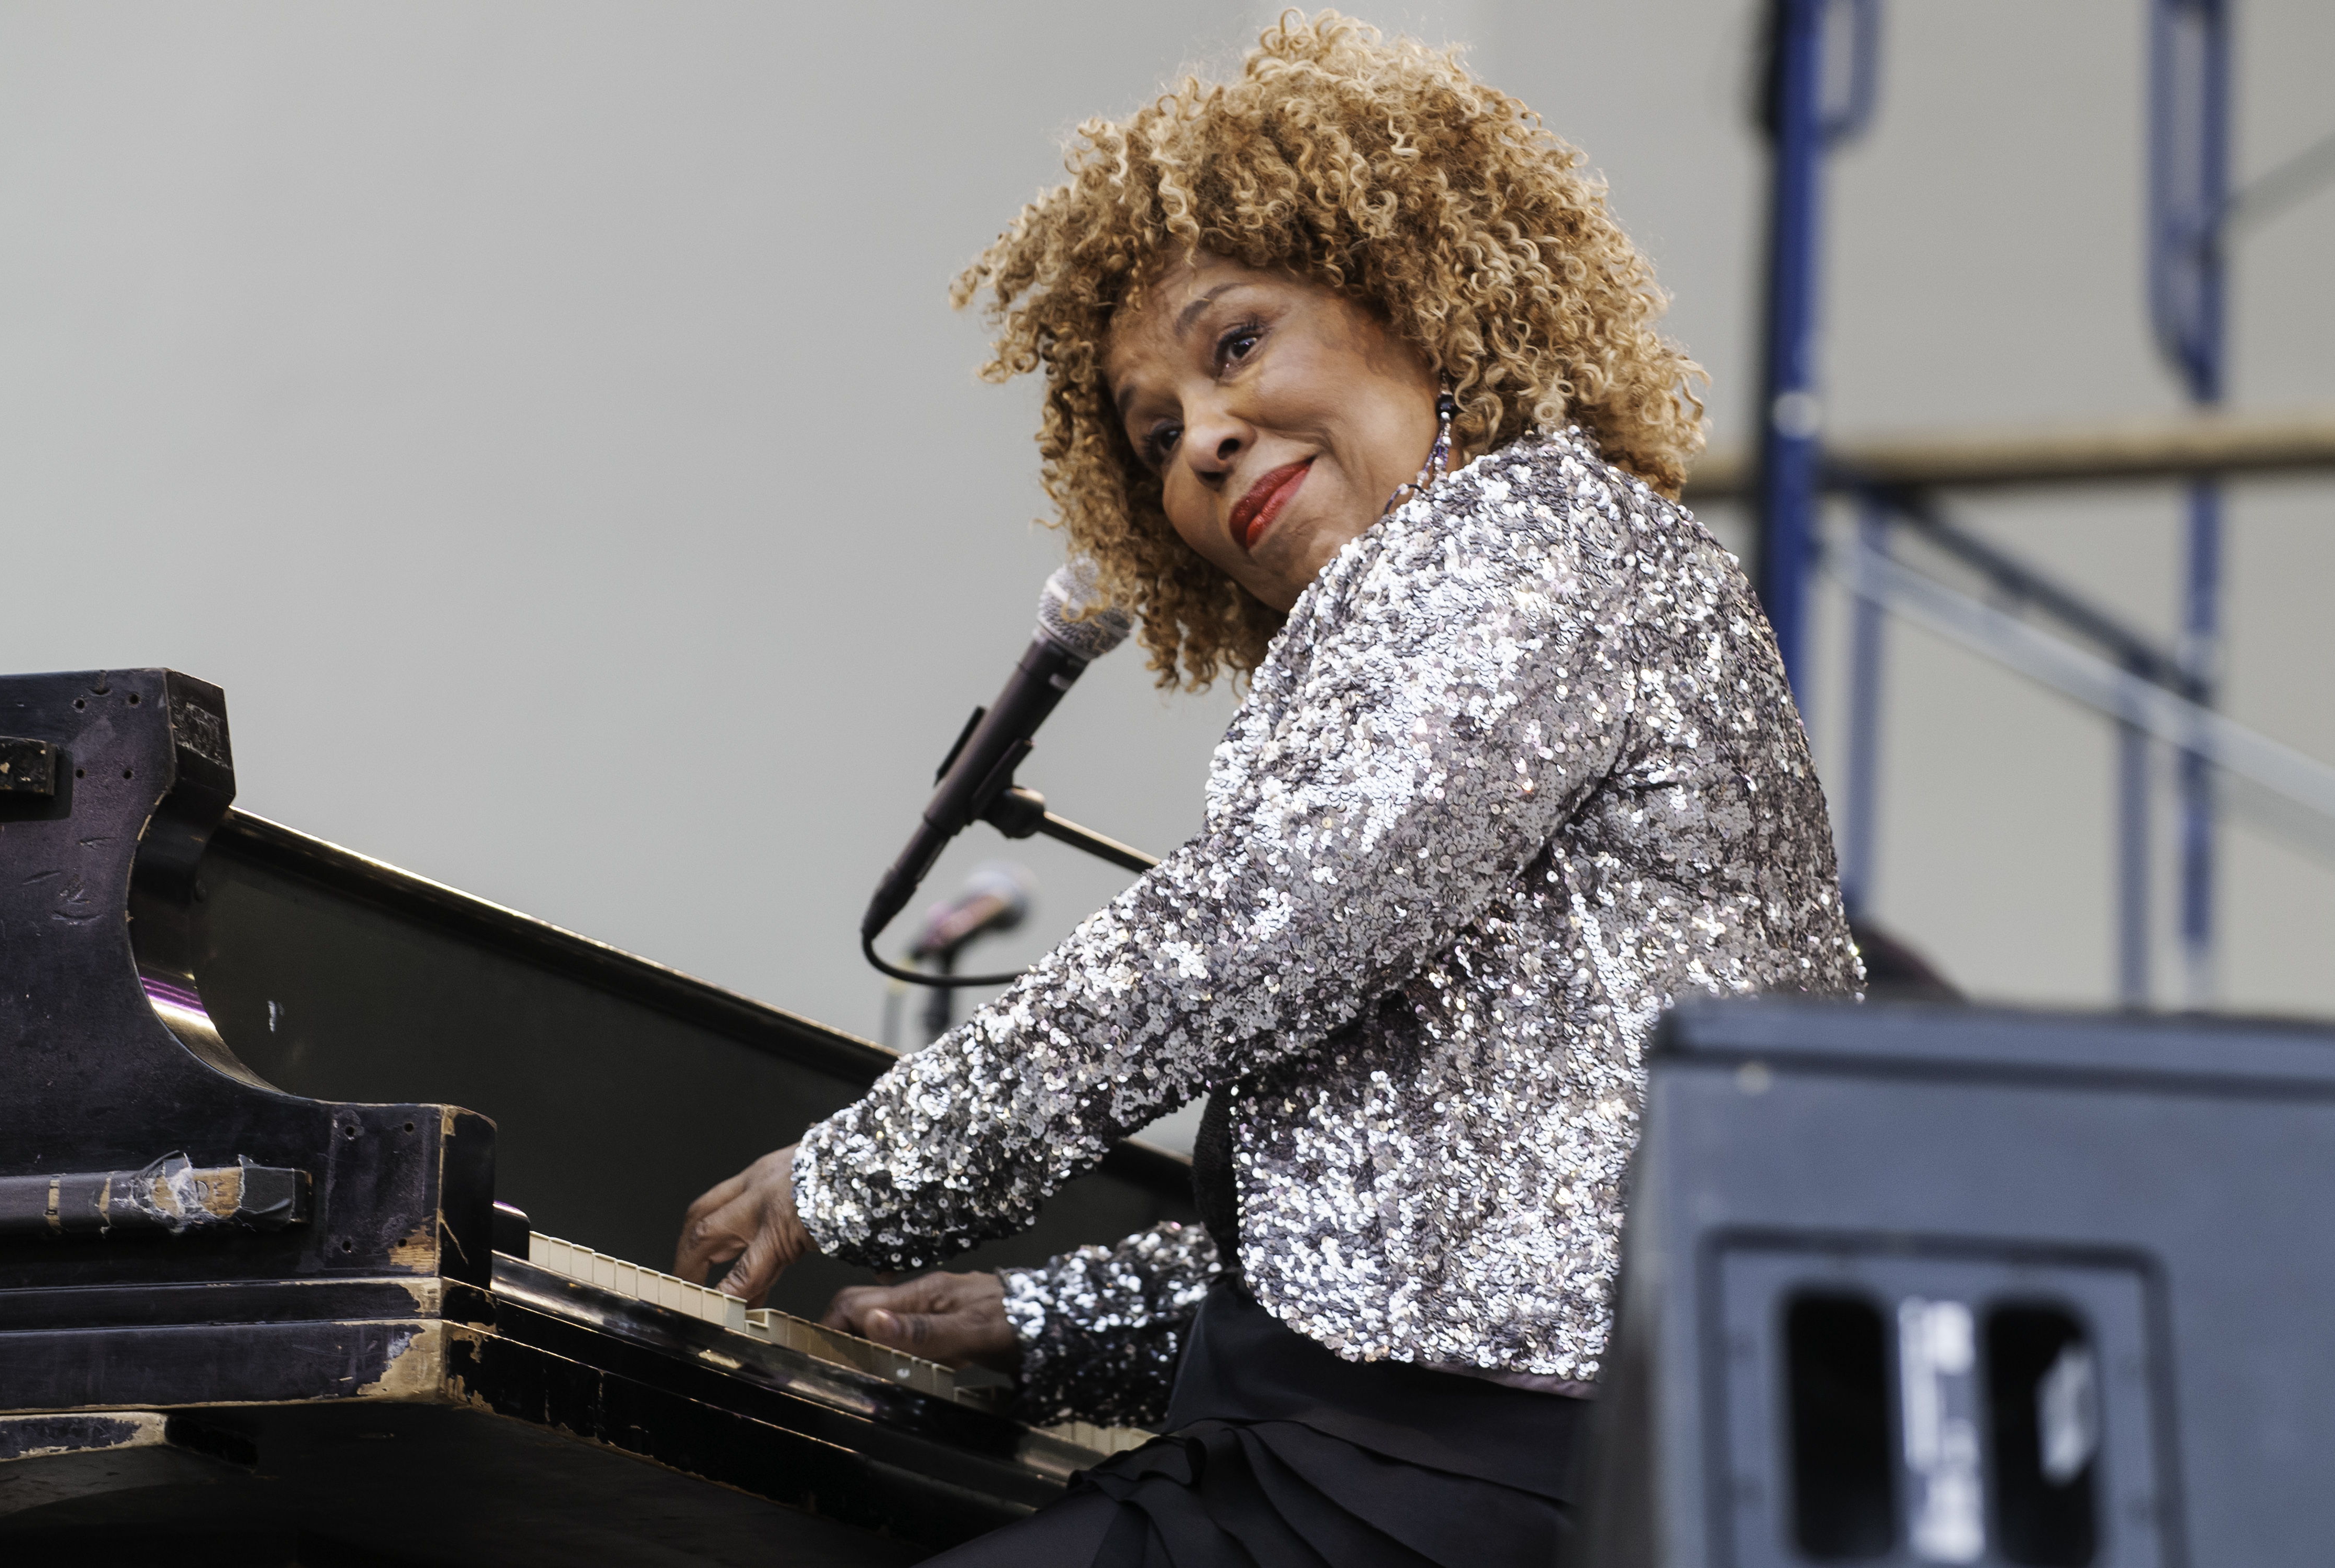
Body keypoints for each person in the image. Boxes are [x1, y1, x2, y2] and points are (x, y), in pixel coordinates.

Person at [677, 14, 1862, 1564]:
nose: (1208, 439)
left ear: (1410, 291)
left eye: (1236, 345)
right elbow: (1415, 1214)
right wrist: (1049, 1316)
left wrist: (856, 1171)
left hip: (1467, 1478)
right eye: (1158, 435)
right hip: (1417, 1462)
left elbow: (1263, 929)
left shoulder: (1529, 540)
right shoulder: (1459, 618)